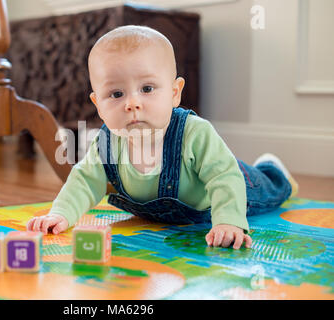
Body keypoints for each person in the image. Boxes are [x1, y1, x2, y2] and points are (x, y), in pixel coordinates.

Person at [26, 25, 298, 250]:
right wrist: (60, 214)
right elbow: (84, 181)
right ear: (98, 104)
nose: (132, 103)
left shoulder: (193, 132)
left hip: (230, 190)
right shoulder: (107, 142)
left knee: (271, 191)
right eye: (116, 94)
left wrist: (228, 221)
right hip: (163, 215)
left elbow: (224, 176)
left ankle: (274, 169)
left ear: (174, 93)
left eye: (147, 88)